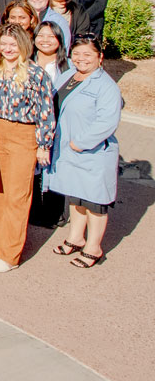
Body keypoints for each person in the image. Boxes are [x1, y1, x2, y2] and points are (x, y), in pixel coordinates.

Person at [0, 24, 56, 273]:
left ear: (23, 45)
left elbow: (46, 111)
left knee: (17, 194)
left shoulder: (36, 74)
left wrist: (43, 144)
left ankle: (10, 254)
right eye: (3, 44)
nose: (8, 49)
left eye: (13, 44)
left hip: (23, 134)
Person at [45, 36, 122, 268]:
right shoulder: (69, 75)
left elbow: (107, 122)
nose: (81, 59)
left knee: (94, 201)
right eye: (77, 54)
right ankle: (75, 237)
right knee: (75, 195)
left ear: (100, 57)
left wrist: (81, 143)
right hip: (68, 149)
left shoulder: (106, 86)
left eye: (87, 54)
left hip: (92, 153)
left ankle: (93, 246)